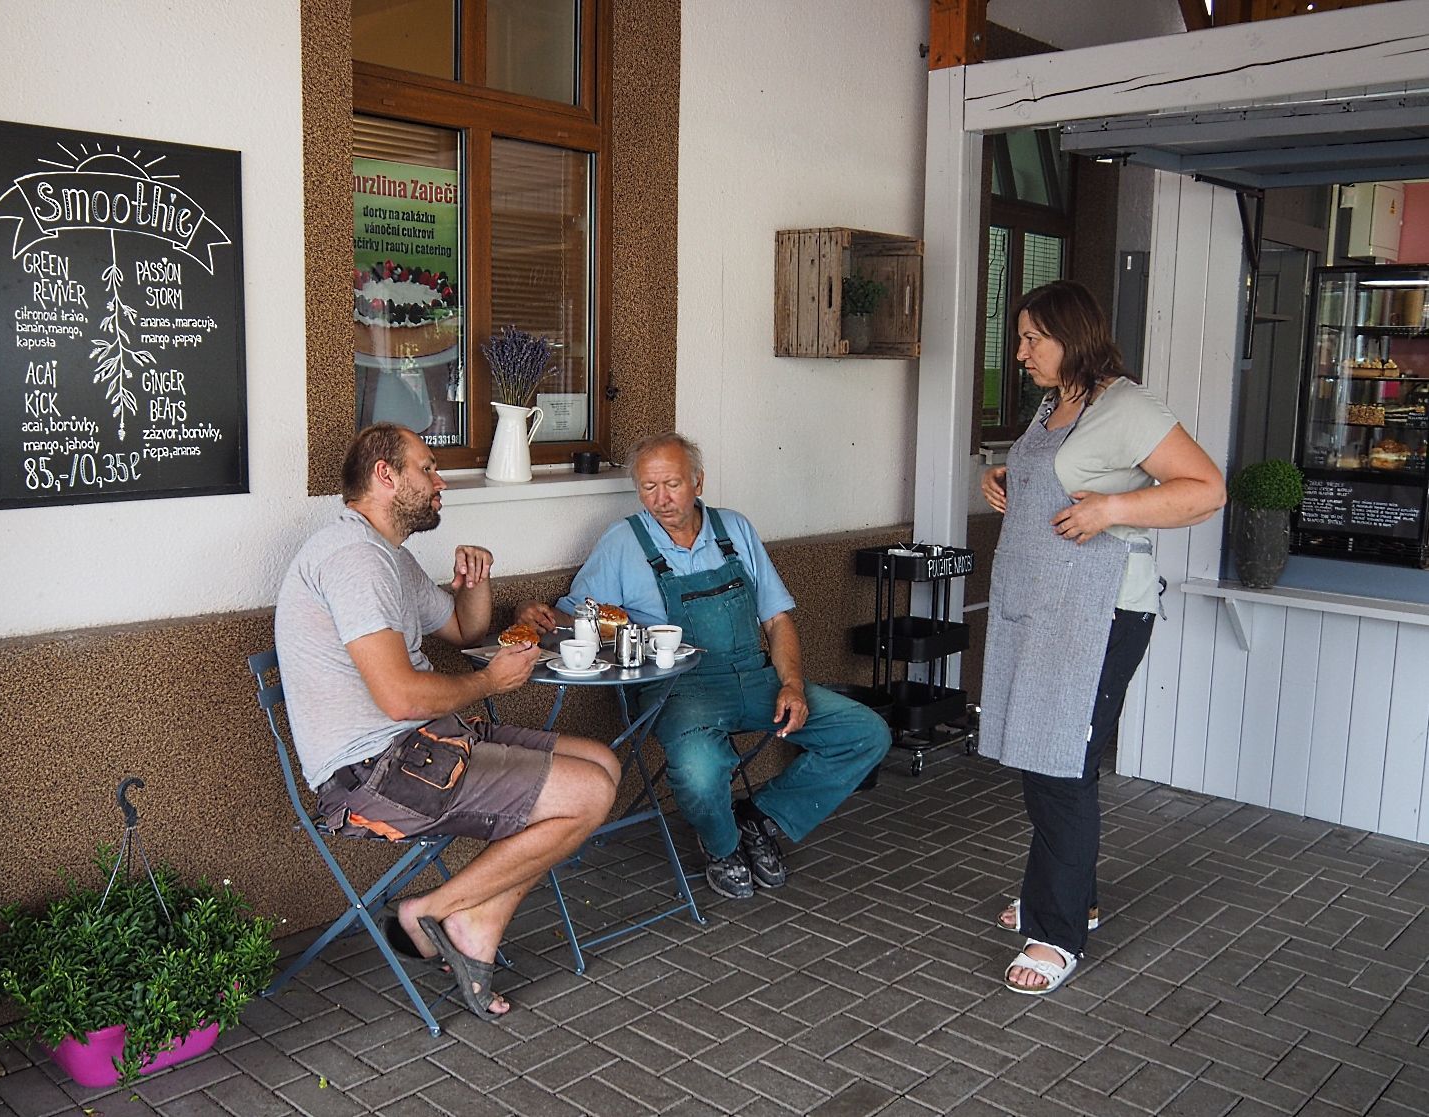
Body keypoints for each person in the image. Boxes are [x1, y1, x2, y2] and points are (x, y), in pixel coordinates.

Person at [273, 422, 619, 1020]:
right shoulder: (354, 558)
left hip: (423, 745)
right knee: (587, 793)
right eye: (428, 468)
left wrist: (475, 583)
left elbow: (464, 630)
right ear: (386, 475)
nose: (441, 483)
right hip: (372, 773)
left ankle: (475, 921)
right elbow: (401, 699)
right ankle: (430, 911)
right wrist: (490, 683)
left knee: (603, 763)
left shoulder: (387, 555)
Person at [979, 280, 1225, 996]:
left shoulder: (1128, 406)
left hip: (1100, 611)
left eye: (1033, 339)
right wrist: (1006, 477)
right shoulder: (1055, 403)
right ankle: (1071, 895)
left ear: (1073, 336)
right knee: (1041, 754)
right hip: (1042, 605)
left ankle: (1058, 934)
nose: (1021, 352)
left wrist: (1114, 508)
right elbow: (1057, 473)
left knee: (1064, 764)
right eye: (1020, 338)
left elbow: (1206, 488)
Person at [515, 432, 891, 899]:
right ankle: (723, 845)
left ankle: (760, 819)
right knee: (699, 771)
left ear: (698, 482)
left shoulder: (735, 529)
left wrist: (792, 685)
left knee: (865, 733)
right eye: (648, 487)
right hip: (677, 689)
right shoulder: (623, 542)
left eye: (672, 485)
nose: (661, 499)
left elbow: (777, 620)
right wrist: (535, 615)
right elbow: (579, 616)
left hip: (756, 676)